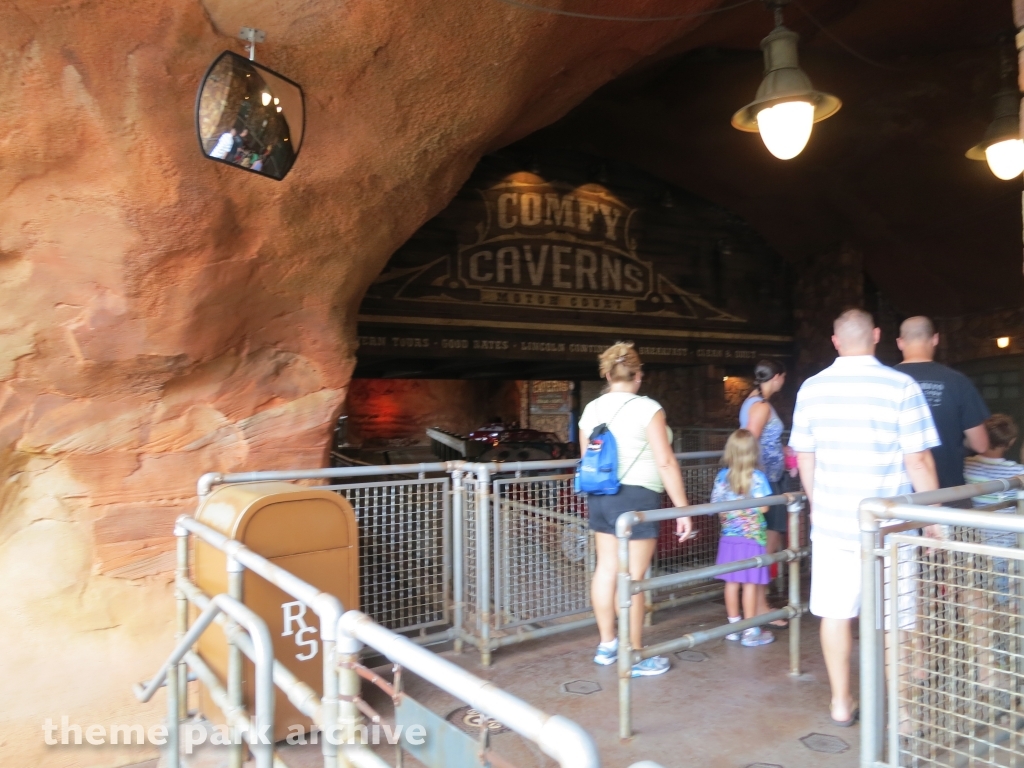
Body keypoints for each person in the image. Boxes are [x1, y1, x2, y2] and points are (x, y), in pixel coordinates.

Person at [789, 309, 939, 726]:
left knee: (835, 615)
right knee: (897, 620)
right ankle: (903, 714)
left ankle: (841, 703)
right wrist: (934, 518)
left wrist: (818, 502)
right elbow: (919, 459)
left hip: (834, 524)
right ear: (876, 336)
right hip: (890, 527)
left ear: (835, 341)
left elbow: (805, 455)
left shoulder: (811, 388)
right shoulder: (901, 385)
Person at [579, 342, 692, 678]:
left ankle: (607, 644)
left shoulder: (591, 409)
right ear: (638, 375)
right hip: (637, 499)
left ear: (606, 374)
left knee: (606, 570)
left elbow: (588, 458)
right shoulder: (648, 409)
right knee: (634, 579)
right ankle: (635, 655)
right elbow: (665, 460)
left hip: (600, 495)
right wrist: (682, 509)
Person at [896, 316, 989, 494]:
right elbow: (981, 444)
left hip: (898, 498)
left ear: (900, 343)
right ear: (935, 339)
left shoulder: (887, 382)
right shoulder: (958, 381)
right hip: (949, 492)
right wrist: (960, 442)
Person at [712, 429, 776, 647]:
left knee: (731, 582)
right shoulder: (758, 477)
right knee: (749, 583)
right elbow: (765, 507)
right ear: (753, 453)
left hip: (729, 537)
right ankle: (750, 629)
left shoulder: (722, 476)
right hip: (752, 537)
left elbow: (717, 507)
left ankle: (733, 626)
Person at [739, 359, 789, 626]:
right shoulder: (760, 406)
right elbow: (750, 442)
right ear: (777, 377)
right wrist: (756, 482)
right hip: (767, 485)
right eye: (783, 378)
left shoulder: (752, 401)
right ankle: (760, 607)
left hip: (768, 480)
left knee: (763, 544)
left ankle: (759, 604)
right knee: (766, 547)